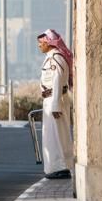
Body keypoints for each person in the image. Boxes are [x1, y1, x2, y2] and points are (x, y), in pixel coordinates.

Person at [38, 29, 74, 179]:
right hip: (51, 99)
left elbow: (58, 81)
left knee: (57, 135)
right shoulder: (51, 57)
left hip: (55, 99)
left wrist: (55, 105)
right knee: (51, 136)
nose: (39, 46)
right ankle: (54, 167)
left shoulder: (56, 57)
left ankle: (61, 166)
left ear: (48, 42)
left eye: (41, 43)